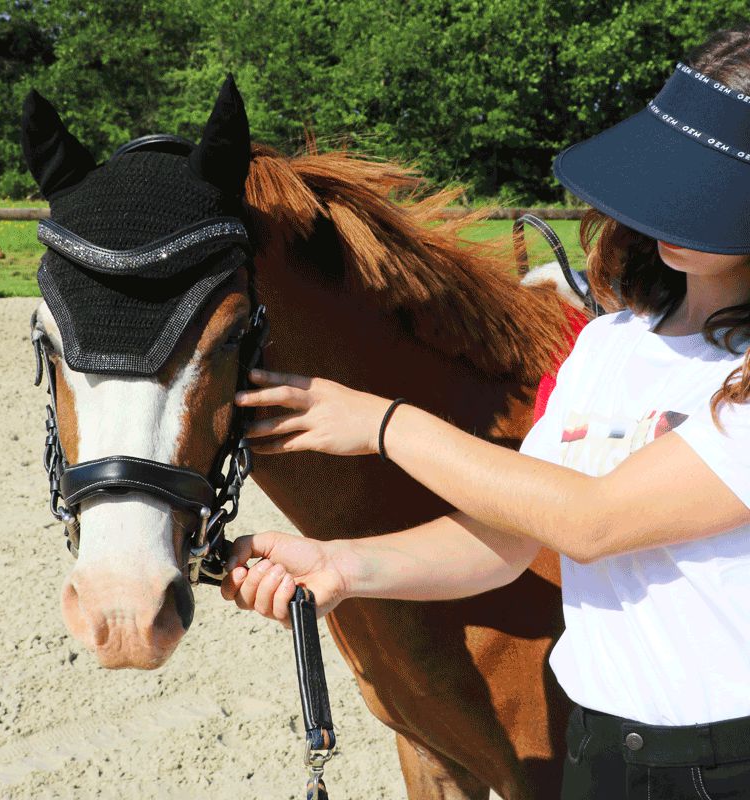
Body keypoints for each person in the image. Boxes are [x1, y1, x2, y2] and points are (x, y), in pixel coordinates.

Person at [221, 27, 750, 799]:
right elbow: (512, 537)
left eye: (705, 191)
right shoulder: (607, 345)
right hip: (601, 751)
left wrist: (384, 424)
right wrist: (342, 567)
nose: (669, 208)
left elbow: (592, 522)